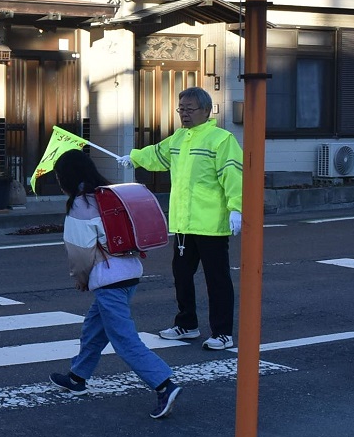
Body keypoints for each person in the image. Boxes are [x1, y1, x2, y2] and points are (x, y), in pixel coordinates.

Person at [47, 149, 181, 419]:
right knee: (95, 329)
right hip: (129, 272)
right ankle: (77, 376)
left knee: (123, 338)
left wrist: (81, 279)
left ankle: (164, 384)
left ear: (67, 178)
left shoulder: (80, 205)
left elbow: (79, 252)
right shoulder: (107, 194)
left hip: (108, 279)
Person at [118, 86, 243, 350]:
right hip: (184, 223)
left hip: (211, 224)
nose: (184, 114)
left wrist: (237, 208)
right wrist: (134, 158)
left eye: (189, 109)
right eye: (181, 109)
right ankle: (187, 324)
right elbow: (157, 154)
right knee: (182, 275)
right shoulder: (179, 138)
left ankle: (222, 332)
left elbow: (233, 176)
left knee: (216, 279)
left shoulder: (221, 139)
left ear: (206, 111)